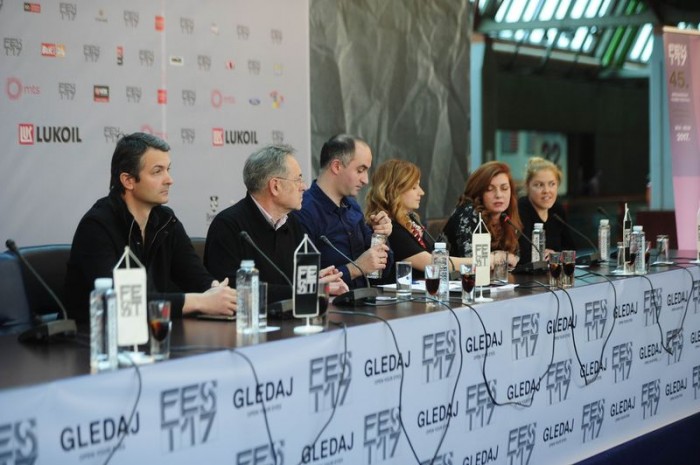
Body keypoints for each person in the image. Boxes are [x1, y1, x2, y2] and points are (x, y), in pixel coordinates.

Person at [64, 132, 237, 321]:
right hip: (91, 340)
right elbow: (122, 303)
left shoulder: (165, 221)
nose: (169, 179)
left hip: (151, 333)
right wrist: (200, 302)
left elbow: (195, 276)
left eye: (168, 169)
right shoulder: (97, 226)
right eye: (157, 171)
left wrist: (215, 291)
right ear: (128, 180)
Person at [204, 144, 347, 302]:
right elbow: (232, 290)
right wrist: (307, 289)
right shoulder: (228, 226)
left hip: (289, 319)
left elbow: (288, 282)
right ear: (275, 186)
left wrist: (314, 280)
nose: (304, 187)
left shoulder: (292, 222)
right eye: (298, 179)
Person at [293, 134, 393, 288]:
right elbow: (305, 283)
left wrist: (380, 235)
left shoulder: (353, 208)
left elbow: (380, 273)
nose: (366, 180)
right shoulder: (303, 211)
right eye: (360, 170)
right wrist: (355, 269)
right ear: (336, 166)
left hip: (365, 302)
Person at [365, 159, 472, 279]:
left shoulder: (410, 221)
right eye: (414, 187)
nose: (422, 192)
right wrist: (479, 262)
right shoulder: (388, 227)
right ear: (394, 190)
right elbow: (432, 263)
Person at [443, 161, 521, 268]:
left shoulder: (506, 216)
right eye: (490, 189)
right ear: (478, 192)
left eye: (504, 188)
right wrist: (500, 256)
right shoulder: (468, 213)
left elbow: (516, 259)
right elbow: (473, 264)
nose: (498, 195)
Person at [517, 156, 575, 263]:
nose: (547, 190)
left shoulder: (557, 210)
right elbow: (523, 254)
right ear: (527, 186)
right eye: (539, 185)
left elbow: (571, 250)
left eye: (552, 184)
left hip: (554, 274)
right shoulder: (520, 209)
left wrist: (556, 255)